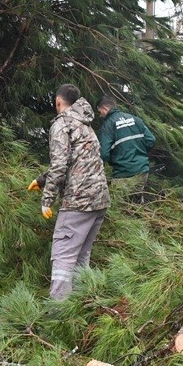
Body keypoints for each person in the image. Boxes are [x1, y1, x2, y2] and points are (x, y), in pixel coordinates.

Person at [38, 84, 110, 301]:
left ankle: (59, 310)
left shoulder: (62, 124)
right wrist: (41, 180)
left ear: (58, 101)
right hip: (99, 200)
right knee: (81, 257)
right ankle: (81, 305)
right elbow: (77, 160)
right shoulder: (85, 124)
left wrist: (47, 200)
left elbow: (60, 164)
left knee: (63, 255)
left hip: (78, 201)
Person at [97, 97, 156, 201]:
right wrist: (140, 154)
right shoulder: (135, 119)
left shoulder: (107, 126)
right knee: (136, 201)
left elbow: (104, 154)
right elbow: (151, 140)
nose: (100, 115)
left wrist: (112, 162)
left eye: (100, 111)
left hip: (123, 173)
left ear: (105, 108)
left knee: (120, 204)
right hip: (142, 169)